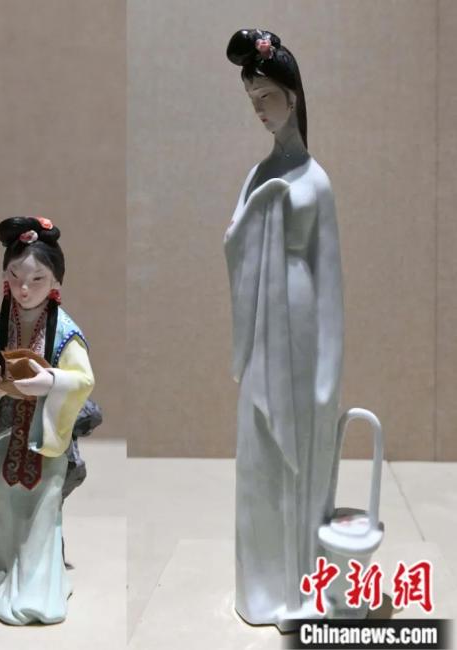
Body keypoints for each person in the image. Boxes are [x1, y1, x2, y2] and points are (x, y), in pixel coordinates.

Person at [224, 30, 344, 626]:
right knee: (259, 452)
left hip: (299, 319)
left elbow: (331, 276)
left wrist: (329, 369)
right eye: (252, 101)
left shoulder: (315, 180)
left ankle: (301, 584)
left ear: (292, 97)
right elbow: (232, 242)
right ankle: (263, 586)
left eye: (266, 97)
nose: (260, 110)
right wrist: (260, 206)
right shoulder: (260, 173)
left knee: (301, 451)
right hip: (262, 325)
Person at [0, 216, 94, 625]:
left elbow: (83, 379)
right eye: (16, 277)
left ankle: (38, 589)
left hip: (43, 436)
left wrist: (50, 381)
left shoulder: (64, 331)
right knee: (1, 498)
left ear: (55, 281)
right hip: (5, 432)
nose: (25, 288)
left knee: (41, 508)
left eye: (37, 279)